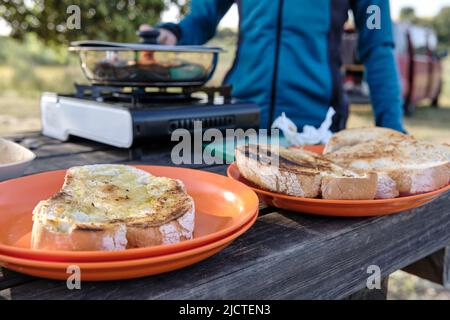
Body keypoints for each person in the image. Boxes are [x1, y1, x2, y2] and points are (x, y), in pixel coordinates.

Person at [141, 0, 405, 132]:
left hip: (316, 130)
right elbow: (202, 16)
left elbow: (377, 43)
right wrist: (174, 33)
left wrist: (392, 128)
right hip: (240, 122)